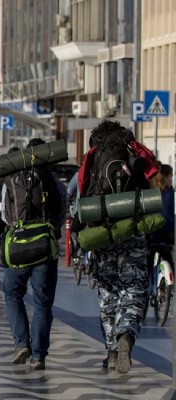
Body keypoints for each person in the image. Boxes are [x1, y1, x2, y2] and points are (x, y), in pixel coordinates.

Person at [77, 120, 158, 374]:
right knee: (133, 290)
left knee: (108, 292)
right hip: (132, 231)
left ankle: (111, 353)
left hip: (103, 233)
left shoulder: (93, 155)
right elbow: (153, 183)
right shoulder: (135, 149)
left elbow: (81, 190)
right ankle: (126, 338)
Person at [0, 138, 67, 371]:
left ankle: (21, 344)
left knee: (12, 293)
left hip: (17, 247)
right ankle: (38, 356)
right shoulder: (54, 182)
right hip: (45, 250)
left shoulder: (12, 180)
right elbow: (62, 213)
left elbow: (5, 216)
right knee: (43, 303)